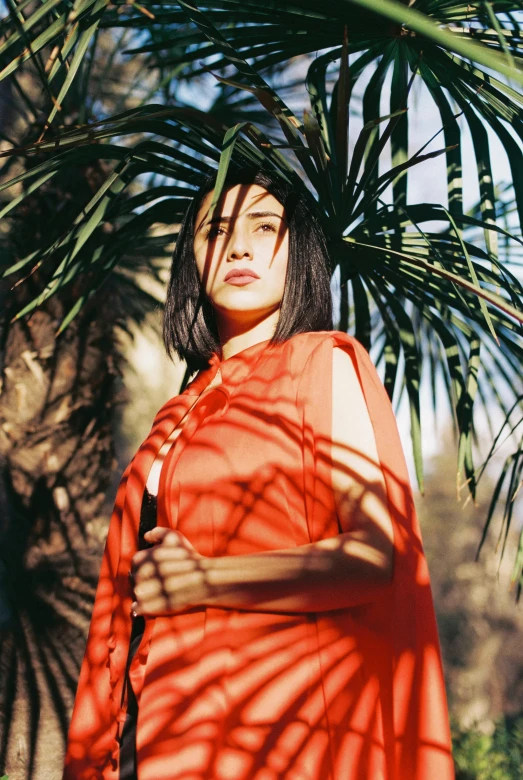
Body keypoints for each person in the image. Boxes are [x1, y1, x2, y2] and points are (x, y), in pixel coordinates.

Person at [63, 166, 454, 780]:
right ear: (191, 258)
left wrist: (206, 582)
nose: (238, 245)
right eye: (215, 230)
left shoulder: (323, 361)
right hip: (164, 717)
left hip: (278, 726)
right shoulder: (181, 406)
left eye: (265, 226)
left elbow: (375, 555)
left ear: (298, 251)